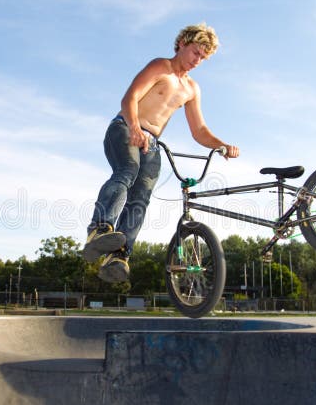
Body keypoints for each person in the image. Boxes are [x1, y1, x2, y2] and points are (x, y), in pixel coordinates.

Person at [84, 23, 240, 283]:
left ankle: (119, 255)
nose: (197, 60)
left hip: (152, 143)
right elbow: (130, 98)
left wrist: (222, 145)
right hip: (125, 127)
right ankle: (99, 229)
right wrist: (134, 127)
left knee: (142, 196)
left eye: (203, 57)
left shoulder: (191, 89)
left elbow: (199, 129)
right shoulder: (161, 66)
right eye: (195, 53)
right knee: (127, 171)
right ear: (181, 44)